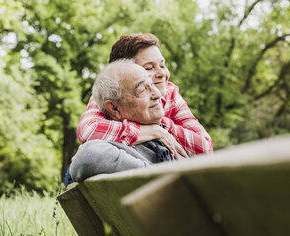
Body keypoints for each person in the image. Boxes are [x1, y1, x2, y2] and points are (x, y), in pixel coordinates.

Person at [77, 33, 213, 157]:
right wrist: (154, 131)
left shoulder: (169, 92)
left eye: (162, 65)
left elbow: (205, 147)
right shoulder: (110, 93)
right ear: (122, 73)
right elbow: (89, 130)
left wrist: (162, 125)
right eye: (149, 68)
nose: (162, 74)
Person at [70, 60, 185, 182]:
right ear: (115, 108)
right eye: (142, 90)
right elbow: (89, 156)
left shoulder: (164, 139)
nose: (157, 94)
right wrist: (165, 180)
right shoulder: (121, 149)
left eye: (152, 84)